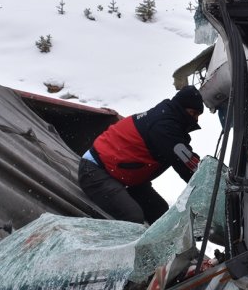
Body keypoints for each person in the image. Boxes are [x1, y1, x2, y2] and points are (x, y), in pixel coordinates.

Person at [78, 86, 204, 224]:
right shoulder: (164, 127)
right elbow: (186, 165)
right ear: (181, 108)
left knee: (160, 213)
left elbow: (187, 161)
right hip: (95, 172)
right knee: (133, 217)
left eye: (198, 115)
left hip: (121, 175)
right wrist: (207, 188)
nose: (195, 120)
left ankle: (159, 245)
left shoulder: (167, 120)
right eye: (193, 113)